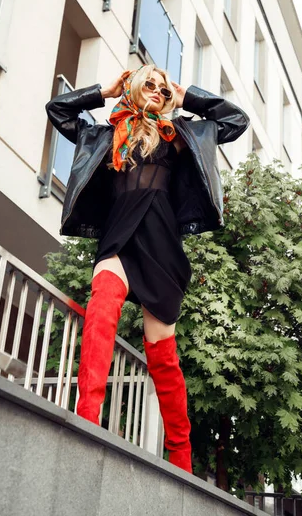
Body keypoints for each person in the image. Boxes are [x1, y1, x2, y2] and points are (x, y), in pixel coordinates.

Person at [45, 65, 250, 474]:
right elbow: (58, 111)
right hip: (119, 236)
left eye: (162, 87)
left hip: (161, 243)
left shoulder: (181, 136)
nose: (156, 91)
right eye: (149, 84)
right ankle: (87, 420)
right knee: (102, 308)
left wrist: (187, 96)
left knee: (164, 358)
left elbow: (235, 120)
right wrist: (104, 91)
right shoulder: (105, 137)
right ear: (135, 89)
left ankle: (181, 457)